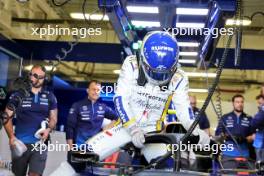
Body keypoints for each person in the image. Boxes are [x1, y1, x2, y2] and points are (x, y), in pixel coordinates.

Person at [85, 31, 210, 166]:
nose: (158, 77)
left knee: (167, 169)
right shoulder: (132, 64)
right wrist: (133, 128)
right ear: (143, 59)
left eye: (163, 74)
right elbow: (120, 98)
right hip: (124, 128)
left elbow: (184, 110)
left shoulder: (179, 77)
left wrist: (195, 130)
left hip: (154, 133)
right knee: (81, 156)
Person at [4, 65, 58, 176]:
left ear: (44, 79)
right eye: (34, 75)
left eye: (40, 77)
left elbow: (53, 118)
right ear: (29, 76)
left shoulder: (50, 96)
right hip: (20, 145)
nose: (37, 79)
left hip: (40, 145)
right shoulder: (18, 95)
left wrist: (48, 129)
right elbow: (6, 116)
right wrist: (11, 137)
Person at [66, 80, 118, 173]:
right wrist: (70, 149)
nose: (96, 92)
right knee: (76, 173)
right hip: (78, 149)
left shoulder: (103, 107)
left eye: (98, 90)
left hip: (96, 149)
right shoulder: (77, 105)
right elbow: (69, 127)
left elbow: (117, 117)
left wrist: (107, 127)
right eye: (93, 89)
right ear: (88, 90)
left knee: (93, 173)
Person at [215, 94, 254, 169]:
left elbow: (254, 136)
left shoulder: (249, 118)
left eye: (242, 102)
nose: (240, 104)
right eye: (237, 102)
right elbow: (218, 135)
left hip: (244, 154)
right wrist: (226, 136)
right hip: (228, 154)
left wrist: (245, 139)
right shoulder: (225, 117)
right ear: (233, 103)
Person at [251, 95, 264, 163]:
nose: (259, 104)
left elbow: (254, 123)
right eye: (258, 103)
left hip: (260, 142)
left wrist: (253, 131)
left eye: (260, 102)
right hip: (259, 141)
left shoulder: (261, 112)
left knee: (260, 164)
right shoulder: (259, 112)